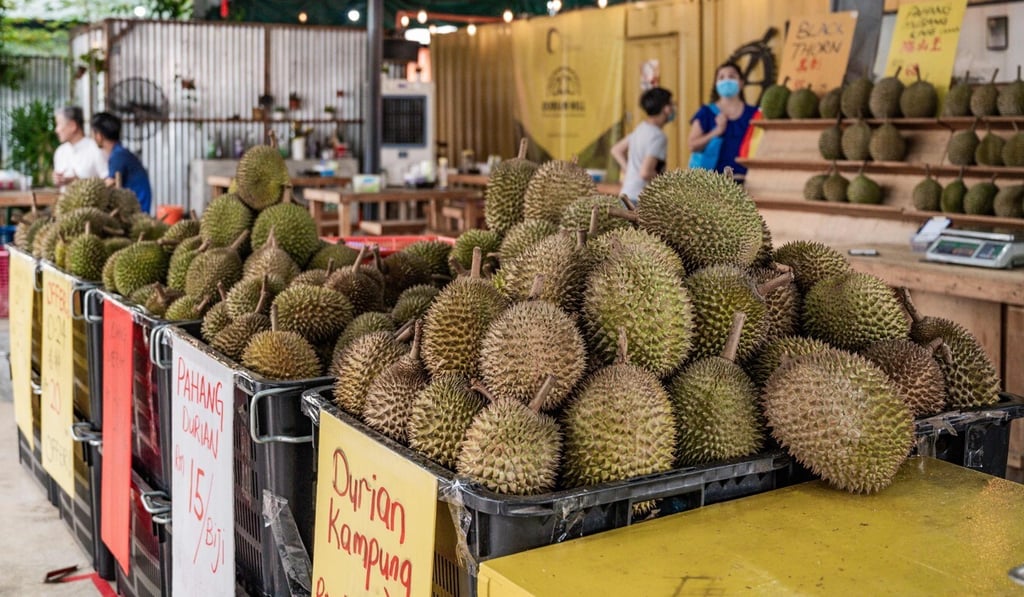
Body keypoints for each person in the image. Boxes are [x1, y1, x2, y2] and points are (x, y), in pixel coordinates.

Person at [688, 62, 760, 181]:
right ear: (716, 84)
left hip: (748, 182)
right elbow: (692, 145)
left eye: (732, 76)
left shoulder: (755, 114)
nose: (726, 81)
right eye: (721, 77)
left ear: (741, 83)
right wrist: (717, 131)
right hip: (712, 185)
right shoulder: (706, 112)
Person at [611, 86, 674, 204]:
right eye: (671, 104)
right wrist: (668, 183)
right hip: (640, 198)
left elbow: (616, 150)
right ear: (665, 108)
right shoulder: (658, 136)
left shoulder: (640, 129)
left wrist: (628, 169)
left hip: (626, 194)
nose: (673, 109)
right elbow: (645, 172)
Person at [90, 112, 153, 214]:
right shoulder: (120, 152)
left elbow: (109, 185)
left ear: (99, 135)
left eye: (92, 133)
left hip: (137, 211)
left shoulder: (118, 155)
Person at [52, 105, 107, 187]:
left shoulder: (96, 148)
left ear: (73, 126)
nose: (56, 130)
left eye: (59, 124)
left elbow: (108, 181)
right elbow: (58, 187)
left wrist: (79, 181)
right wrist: (57, 179)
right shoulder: (60, 152)